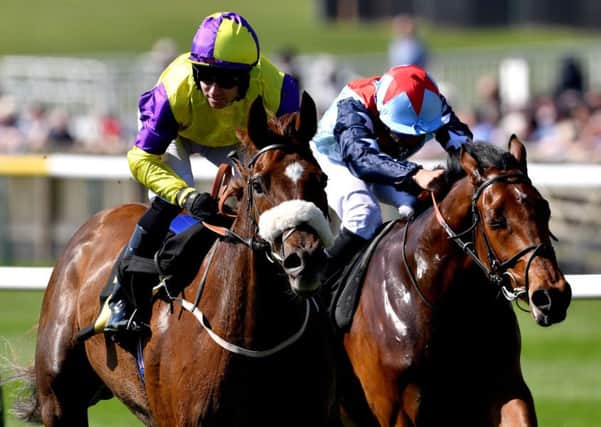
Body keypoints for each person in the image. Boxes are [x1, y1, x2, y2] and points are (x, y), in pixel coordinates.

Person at [94, 11, 300, 336]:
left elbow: (293, 157)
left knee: (269, 191)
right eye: (204, 75)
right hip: (177, 133)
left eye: (227, 80)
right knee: (168, 202)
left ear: (248, 76)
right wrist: (186, 197)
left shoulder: (278, 87)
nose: (213, 89)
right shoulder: (173, 90)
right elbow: (141, 160)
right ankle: (119, 296)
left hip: (233, 138)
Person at [310, 64, 473, 277]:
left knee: (422, 205)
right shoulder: (353, 104)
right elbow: (361, 159)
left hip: (385, 163)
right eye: (402, 132)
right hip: (335, 160)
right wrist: (415, 174)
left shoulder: (431, 102)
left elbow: (465, 149)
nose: (411, 139)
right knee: (363, 215)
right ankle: (317, 281)